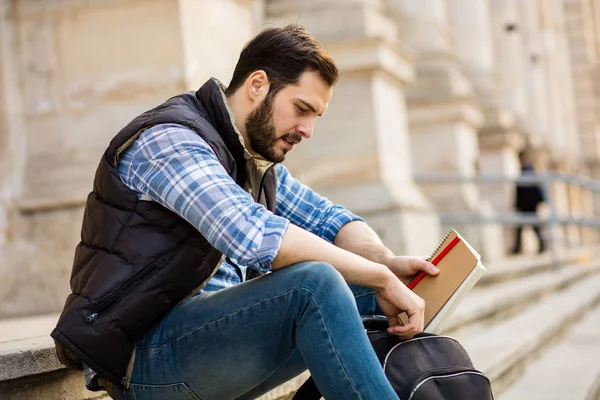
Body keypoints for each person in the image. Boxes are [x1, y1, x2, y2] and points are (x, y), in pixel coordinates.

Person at [51, 24, 439, 400]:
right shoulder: (171, 141)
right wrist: (380, 277)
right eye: (301, 109)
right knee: (315, 284)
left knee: (371, 292)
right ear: (258, 85)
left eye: (315, 117)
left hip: (209, 344)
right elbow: (254, 236)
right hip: (141, 360)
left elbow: (329, 220)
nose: (307, 130)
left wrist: (386, 266)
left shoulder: (253, 161)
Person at [511, 150, 546, 254]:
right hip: (528, 204)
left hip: (527, 204)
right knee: (526, 227)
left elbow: (525, 190)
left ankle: (518, 249)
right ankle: (518, 248)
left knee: (532, 227)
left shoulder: (526, 172)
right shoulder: (529, 171)